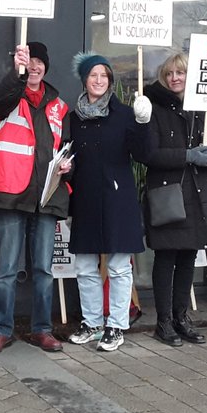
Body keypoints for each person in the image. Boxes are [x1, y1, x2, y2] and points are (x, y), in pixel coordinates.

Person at [0, 41, 72, 355]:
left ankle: (42, 330)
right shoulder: (8, 95)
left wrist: (68, 167)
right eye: (29, 61)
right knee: (6, 269)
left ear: (46, 66)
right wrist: (16, 74)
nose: (34, 67)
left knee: (44, 270)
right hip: (10, 192)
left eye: (38, 62)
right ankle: (1, 330)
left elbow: (68, 147)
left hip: (46, 195)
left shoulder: (59, 106)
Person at [65, 52, 152, 352]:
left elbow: (142, 154)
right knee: (85, 266)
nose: (99, 80)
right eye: (93, 75)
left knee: (118, 266)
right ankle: (92, 322)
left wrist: (143, 123)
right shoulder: (73, 118)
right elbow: (69, 156)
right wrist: (67, 167)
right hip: (86, 197)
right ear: (84, 80)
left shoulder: (126, 115)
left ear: (110, 81)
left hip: (118, 198)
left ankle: (116, 325)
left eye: (104, 75)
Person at [142, 52, 207, 346]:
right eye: (169, 74)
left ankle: (182, 318)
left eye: (180, 73)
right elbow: (148, 154)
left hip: (197, 194)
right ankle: (163, 322)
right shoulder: (152, 108)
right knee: (166, 259)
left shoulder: (203, 110)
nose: (174, 78)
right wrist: (187, 156)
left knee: (189, 258)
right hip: (168, 195)